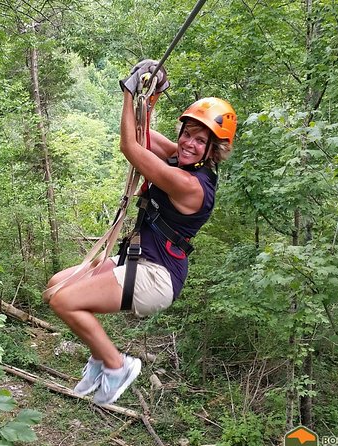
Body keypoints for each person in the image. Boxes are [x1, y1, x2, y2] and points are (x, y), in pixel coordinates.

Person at [45, 60, 237, 405]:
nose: (189, 143)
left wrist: (127, 92)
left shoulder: (190, 185)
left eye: (200, 140)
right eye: (187, 134)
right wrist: (149, 100)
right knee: (56, 286)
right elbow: (141, 136)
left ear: (213, 151)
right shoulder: (180, 159)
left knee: (64, 301)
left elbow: (131, 149)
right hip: (137, 260)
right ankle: (100, 358)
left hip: (156, 276)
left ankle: (118, 366)